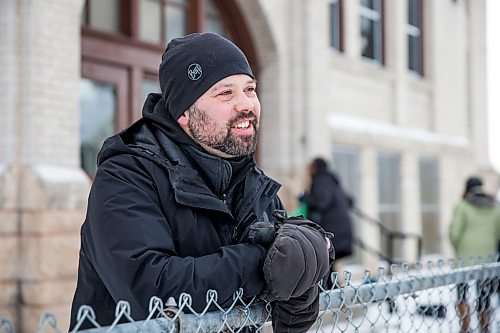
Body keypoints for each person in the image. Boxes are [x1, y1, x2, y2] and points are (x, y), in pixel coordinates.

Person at [69, 33, 332, 332]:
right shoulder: (126, 176)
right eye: (225, 94)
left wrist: (306, 255)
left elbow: (287, 256)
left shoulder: (252, 183)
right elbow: (150, 291)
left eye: (250, 89)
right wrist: (264, 264)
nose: (246, 105)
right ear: (184, 112)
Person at [449, 176, 500, 333]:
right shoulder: (495, 206)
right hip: (488, 259)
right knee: (483, 295)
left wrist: (458, 248)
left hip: (465, 258)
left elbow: (454, 233)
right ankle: (485, 328)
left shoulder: (462, 205)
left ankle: (465, 328)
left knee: (462, 293)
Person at [303, 158, 353, 284]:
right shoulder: (332, 181)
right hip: (342, 231)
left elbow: (321, 201)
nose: (307, 171)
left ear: (315, 168)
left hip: (332, 233)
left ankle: (331, 296)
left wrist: (304, 198)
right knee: (329, 266)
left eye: (309, 167)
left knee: (326, 266)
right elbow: (350, 201)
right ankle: (335, 295)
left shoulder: (320, 180)